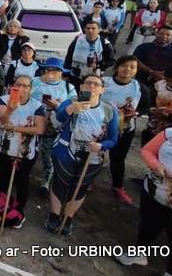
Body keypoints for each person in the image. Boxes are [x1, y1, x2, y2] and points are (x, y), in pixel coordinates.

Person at [115, 114, 172, 276]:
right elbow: (147, 150)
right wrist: (156, 166)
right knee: (148, 226)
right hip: (154, 191)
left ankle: (171, 272)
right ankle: (138, 254)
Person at [45, 74, 118, 236]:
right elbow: (58, 119)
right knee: (60, 181)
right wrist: (71, 109)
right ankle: (54, 215)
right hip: (65, 150)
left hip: (92, 155)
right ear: (81, 87)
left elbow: (113, 138)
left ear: (102, 89)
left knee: (80, 186)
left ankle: (68, 217)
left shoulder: (109, 110)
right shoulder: (70, 102)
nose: (91, 86)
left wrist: (101, 145)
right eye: (88, 83)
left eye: (96, 84)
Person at [0, 75, 46, 227]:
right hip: (5, 148)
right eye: (18, 85)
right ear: (12, 86)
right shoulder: (4, 100)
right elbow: (2, 120)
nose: (21, 89)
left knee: (22, 179)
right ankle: (2, 206)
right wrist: (11, 109)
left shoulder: (37, 105)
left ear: (31, 89)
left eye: (26, 86)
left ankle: (18, 209)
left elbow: (40, 129)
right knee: (4, 176)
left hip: (26, 151)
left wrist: (16, 128)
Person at [102, 56, 146, 205]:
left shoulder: (139, 87)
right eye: (124, 66)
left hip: (125, 129)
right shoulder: (104, 82)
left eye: (132, 67)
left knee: (118, 159)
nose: (127, 69)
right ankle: (87, 181)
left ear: (136, 71)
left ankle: (117, 187)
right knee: (95, 155)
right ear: (117, 67)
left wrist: (136, 113)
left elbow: (145, 107)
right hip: (101, 127)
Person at [64, 21, 115, 86]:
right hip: (75, 76)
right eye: (88, 28)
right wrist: (65, 75)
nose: (90, 31)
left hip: (93, 77)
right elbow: (68, 57)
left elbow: (111, 61)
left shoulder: (105, 43)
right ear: (84, 29)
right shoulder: (77, 40)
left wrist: (98, 64)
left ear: (99, 30)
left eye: (93, 28)